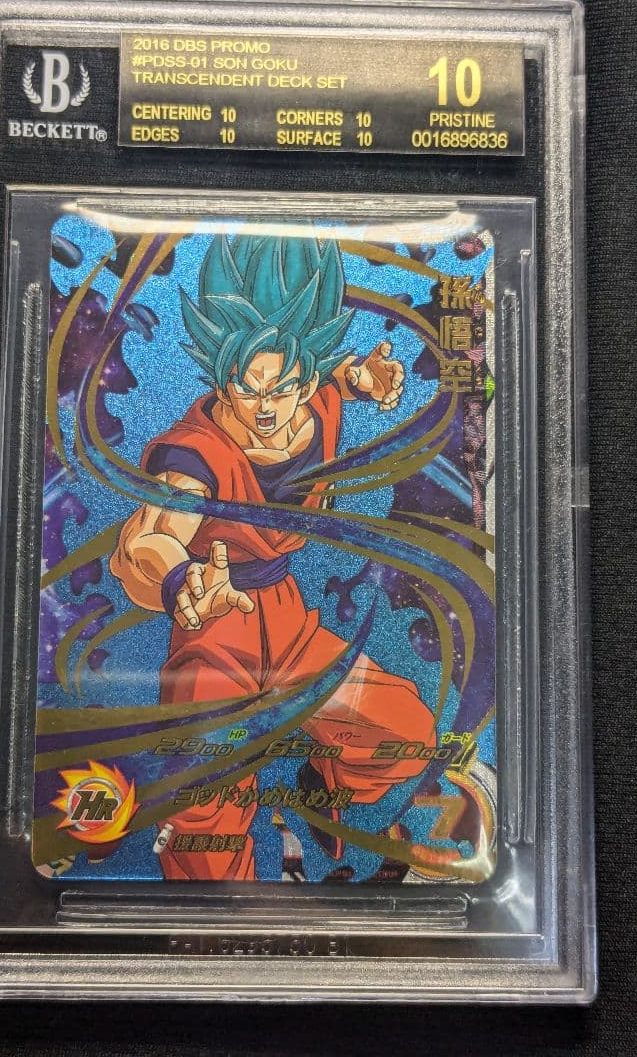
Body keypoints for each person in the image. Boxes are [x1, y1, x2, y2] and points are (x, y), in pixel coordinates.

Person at [110, 233, 435, 879]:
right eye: (245, 387)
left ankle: (320, 783)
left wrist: (364, 378)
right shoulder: (195, 455)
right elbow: (143, 542)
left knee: (403, 732)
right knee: (205, 816)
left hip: (288, 628)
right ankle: (210, 926)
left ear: (305, 378)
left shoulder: (317, 400)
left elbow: (335, 377)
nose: (263, 409)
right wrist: (181, 584)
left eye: (281, 388)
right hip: (215, 634)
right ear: (223, 376)